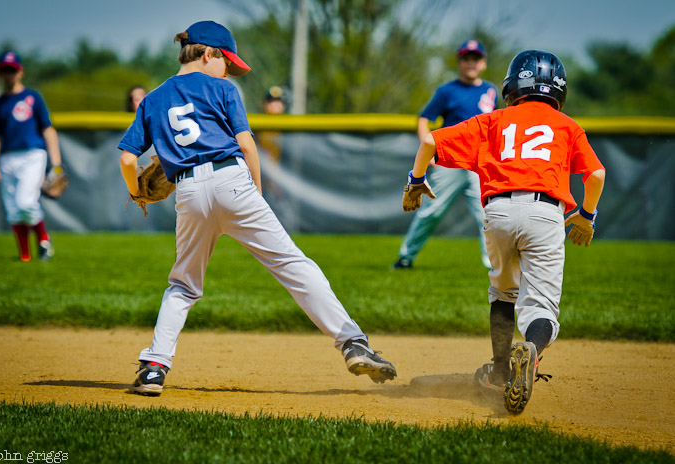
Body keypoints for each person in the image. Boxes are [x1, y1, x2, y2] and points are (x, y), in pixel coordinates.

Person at [118, 20, 397, 396]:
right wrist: (256, 196)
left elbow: (126, 158)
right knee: (293, 264)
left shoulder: (152, 99)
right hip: (232, 180)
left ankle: (154, 368)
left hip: (187, 191)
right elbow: (248, 147)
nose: (229, 70)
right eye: (226, 62)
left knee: (183, 284)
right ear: (207, 53)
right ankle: (352, 343)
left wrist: (137, 192)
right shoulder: (222, 88)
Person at [401, 50, 606, 415]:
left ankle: (498, 373)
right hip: (546, 213)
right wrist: (587, 216)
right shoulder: (568, 126)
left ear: (512, 85)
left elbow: (430, 141)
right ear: (559, 90)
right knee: (540, 305)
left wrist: (416, 180)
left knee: (502, 289)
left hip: (497, 209)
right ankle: (531, 351)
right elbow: (596, 175)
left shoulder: (492, 120)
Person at [394, 40, 497, 270]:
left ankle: (494, 265)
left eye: (475, 58)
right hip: (450, 161)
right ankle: (405, 257)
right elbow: (424, 119)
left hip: (478, 163)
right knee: (432, 211)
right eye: (466, 58)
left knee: (487, 215)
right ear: (460, 62)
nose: (470, 62)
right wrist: (427, 149)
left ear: (483, 63)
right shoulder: (447, 90)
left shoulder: (490, 91)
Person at [0, 51, 62, 261]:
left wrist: (56, 163)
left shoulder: (33, 97)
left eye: (12, 69)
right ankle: (25, 255)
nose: (8, 74)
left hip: (32, 155)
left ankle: (43, 238)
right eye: (4, 70)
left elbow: (48, 129)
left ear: (21, 71)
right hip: (7, 157)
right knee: (13, 209)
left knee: (25, 202)